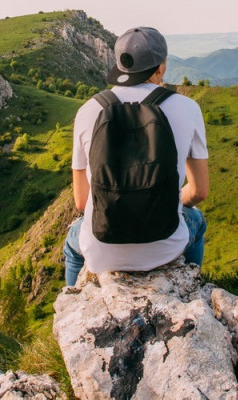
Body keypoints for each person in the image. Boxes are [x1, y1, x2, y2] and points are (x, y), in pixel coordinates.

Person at [63, 26, 209, 287]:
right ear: (161, 66)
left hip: (102, 248)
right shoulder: (188, 108)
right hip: (165, 247)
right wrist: (166, 199)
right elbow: (199, 192)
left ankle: (74, 294)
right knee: (196, 220)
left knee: (73, 244)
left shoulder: (87, 111)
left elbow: (82, 202)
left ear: (120, 65)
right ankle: (192, 285)